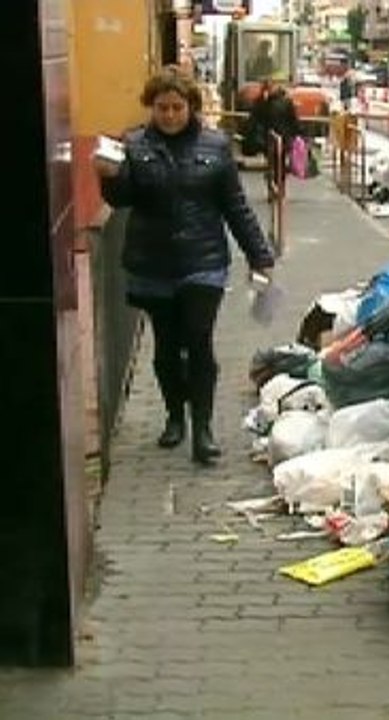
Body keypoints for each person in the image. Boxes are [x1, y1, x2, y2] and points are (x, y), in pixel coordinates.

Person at [93, 66, 275, 465]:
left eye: (177, 107)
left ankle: (203, 428)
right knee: (166, 346)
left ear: (191, 107)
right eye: (162, 108)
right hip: (152, 263)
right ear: (151, 107)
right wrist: (108, 178)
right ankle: (175, 415)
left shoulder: (215, 145)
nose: (170, 115)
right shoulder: (134, 144)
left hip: (203, 261)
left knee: (199, 340)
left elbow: (235, 206)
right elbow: (123, 200)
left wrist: (260, 255)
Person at [248, 78, 303, 194]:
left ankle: (274, 185)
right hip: (280, 138)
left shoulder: (263, 102)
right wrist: (297, 133)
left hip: (272, 138)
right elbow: (293, 120)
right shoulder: (282, 101)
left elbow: (254, 119)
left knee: (274, 163)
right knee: (279, 164)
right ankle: (278, 186)